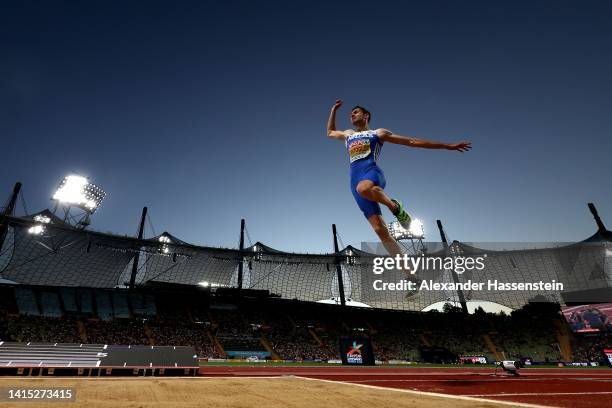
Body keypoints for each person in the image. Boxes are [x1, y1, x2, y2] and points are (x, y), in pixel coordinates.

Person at [327, 99, 471, 257]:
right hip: (354, 181)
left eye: (355, 112)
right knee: (380, 231)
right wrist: (334, 109)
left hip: (371, 173)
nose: (352, 115)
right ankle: (410, 275)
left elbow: (412, 141)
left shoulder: (378, 133)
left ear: (366, 115)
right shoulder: (348, 134)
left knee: (364, 188)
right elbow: (330, 132)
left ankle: (395, 207)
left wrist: (446, 146)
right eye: (350, 114)